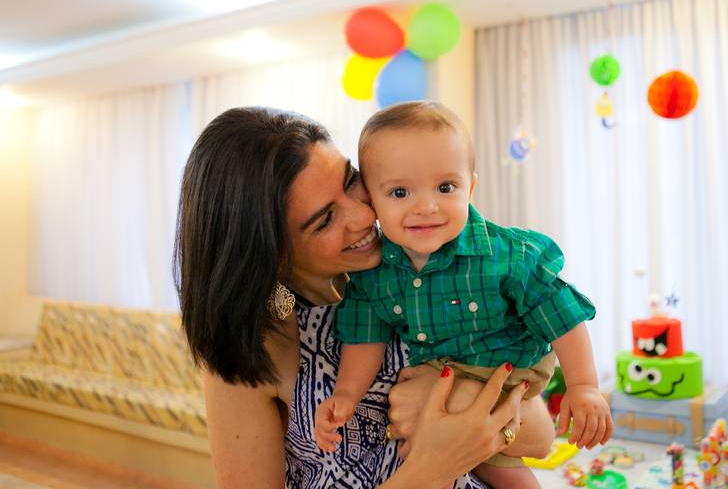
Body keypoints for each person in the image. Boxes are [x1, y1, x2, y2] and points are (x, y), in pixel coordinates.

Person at [173, 106, 555, 488]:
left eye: (351, 181)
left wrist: (451, 398)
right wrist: (430, 467)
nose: (361, 216)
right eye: (325, 220)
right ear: (268, 252)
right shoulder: (253, 346)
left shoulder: (412, 268)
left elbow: (540, 437)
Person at [314, 101, 613, 488]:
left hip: (508, 373)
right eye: (400, 192)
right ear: (372, 201)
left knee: (501, 470)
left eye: (445, 187)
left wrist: (583, 385)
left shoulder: (507, 257)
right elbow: (365, 337)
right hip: (442, 371)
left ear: (469, 187)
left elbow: (562, 313)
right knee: (439, 455)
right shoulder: (376, 275)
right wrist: (347, 394)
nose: (426, 206)